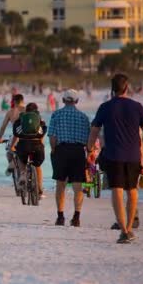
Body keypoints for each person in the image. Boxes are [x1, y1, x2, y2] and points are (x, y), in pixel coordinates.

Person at [88, 73, 143, 244]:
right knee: (132, 191)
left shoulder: (105, 107)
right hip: (133, 155)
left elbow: (94, 129)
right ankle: (129, 228)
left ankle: (123, 229)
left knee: (116, 189)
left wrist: (89, 148)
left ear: (112, 89)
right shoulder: (137, 106)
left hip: (112, 155)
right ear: (127, 87)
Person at [48, 89, 91, 227]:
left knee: (60, 184)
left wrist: (54, 150)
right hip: (78, 151)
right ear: (76, 101)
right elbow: (88, 139)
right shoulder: (83, 117)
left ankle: (60, 217)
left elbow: (52, 137)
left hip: (62, 150)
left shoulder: (56, 115)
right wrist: (88, 153)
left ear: (63, 100)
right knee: (78, 185)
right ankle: (76, 217)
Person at [11, 102, 47, 197]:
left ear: (26, 110)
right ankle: (39, 190)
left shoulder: (21, 119)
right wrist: (41, 144)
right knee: (38, 166)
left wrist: (12, 146)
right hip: (37, 145)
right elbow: (42, 133)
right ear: (37, 110)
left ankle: (22, 174)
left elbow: (16, 134)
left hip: (23, 145)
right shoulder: (39, 119)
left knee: (21, 159)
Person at [0, 94, 26, 175]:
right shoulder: (27, 110)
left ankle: (12, 163)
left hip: (16, 136)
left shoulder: (10, 112)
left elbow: (3, 127)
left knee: (9, 152)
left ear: (14, 101)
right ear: (22, 101)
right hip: (29, 137)